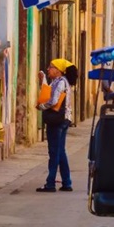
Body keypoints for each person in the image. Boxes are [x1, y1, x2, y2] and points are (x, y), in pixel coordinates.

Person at [36, 58, 79, 192]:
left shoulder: (60, 82)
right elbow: (48, 91)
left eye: (51, 67)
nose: (49, 69)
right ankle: (66, 182)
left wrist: (41, 106)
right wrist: (43, 80)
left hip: (57, 120)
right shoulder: (61, 82)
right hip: (64, 119)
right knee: (60, 151)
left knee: (54, 152)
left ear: (58, 71)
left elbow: (53, 100)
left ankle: (50, 183)